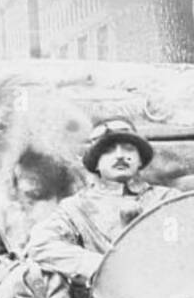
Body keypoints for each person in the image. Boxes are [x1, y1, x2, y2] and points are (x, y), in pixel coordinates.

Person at [26, 118, 178, 288]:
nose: (120, 155)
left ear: (140, 160)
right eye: (109, 150)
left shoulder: (168, 199)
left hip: (171, 292)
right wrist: (103, 266)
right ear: (96, 163)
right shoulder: (75, 209)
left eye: (129, 149)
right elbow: (41, 245)